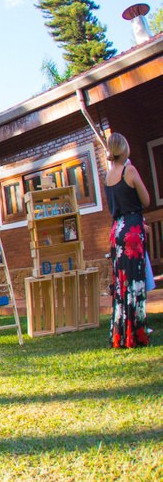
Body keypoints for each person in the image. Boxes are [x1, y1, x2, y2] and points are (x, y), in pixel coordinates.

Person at [105, 132, 151, 348]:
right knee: (135, 282)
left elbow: (113, 208)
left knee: (121, 283)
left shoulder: (108, 177)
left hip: (117, 231)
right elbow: (146, 200)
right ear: (123, 149)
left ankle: (120, 334)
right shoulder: (129, 170)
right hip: (133, 230)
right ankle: (136, 333)